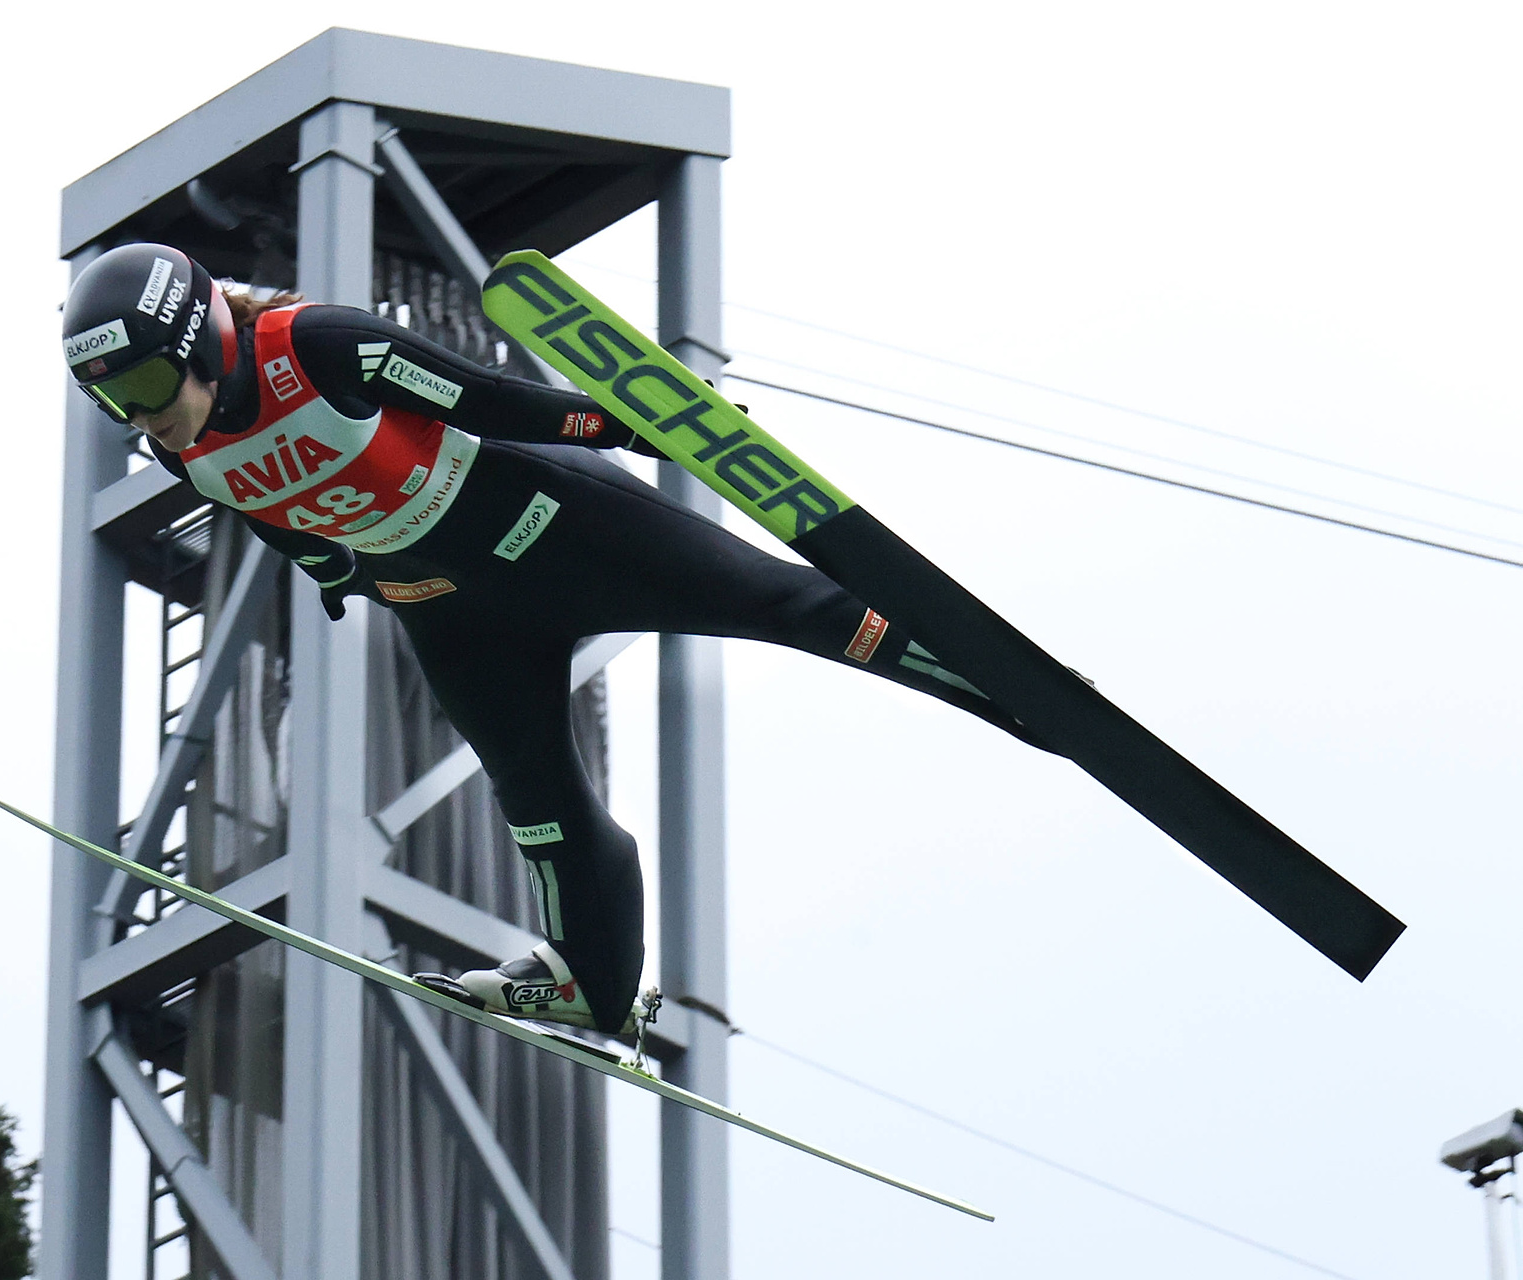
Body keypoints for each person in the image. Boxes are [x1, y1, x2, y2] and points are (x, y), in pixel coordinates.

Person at [62, 243, 1054, 1036]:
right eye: (115, 400)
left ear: (200, 337)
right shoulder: (181, 450)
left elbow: (480, 393)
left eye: (146, 379)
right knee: (541, 809)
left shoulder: (314, 346)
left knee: (779, 604)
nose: (143, 411)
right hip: (448, 606)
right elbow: (277, 516)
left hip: (546, 521)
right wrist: (338, 573)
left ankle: (995, 683)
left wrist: (621, 424)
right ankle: (596, 985)